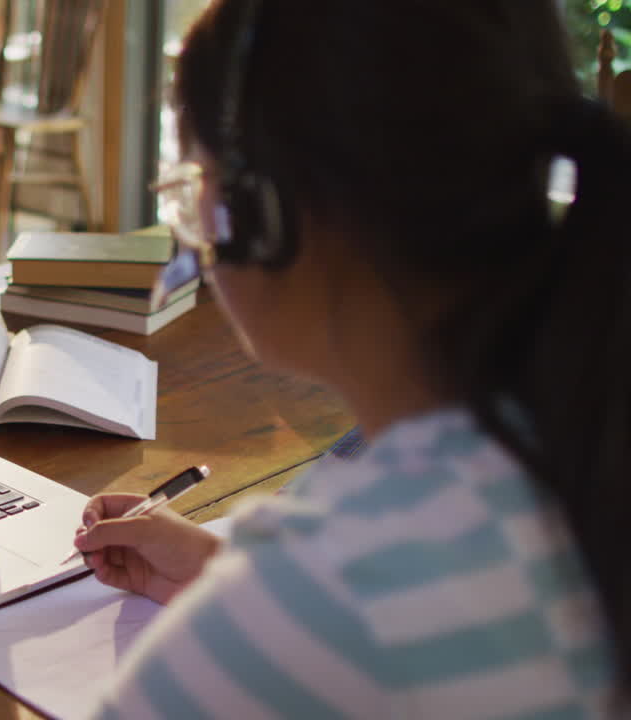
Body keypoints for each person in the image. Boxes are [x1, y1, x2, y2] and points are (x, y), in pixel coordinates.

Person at [72, 2, 627, 716]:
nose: (197, 236)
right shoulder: (577, 440)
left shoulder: (329, 591)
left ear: (267, 211)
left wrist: (269, 613)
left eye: (193, 186)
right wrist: (231, 579)